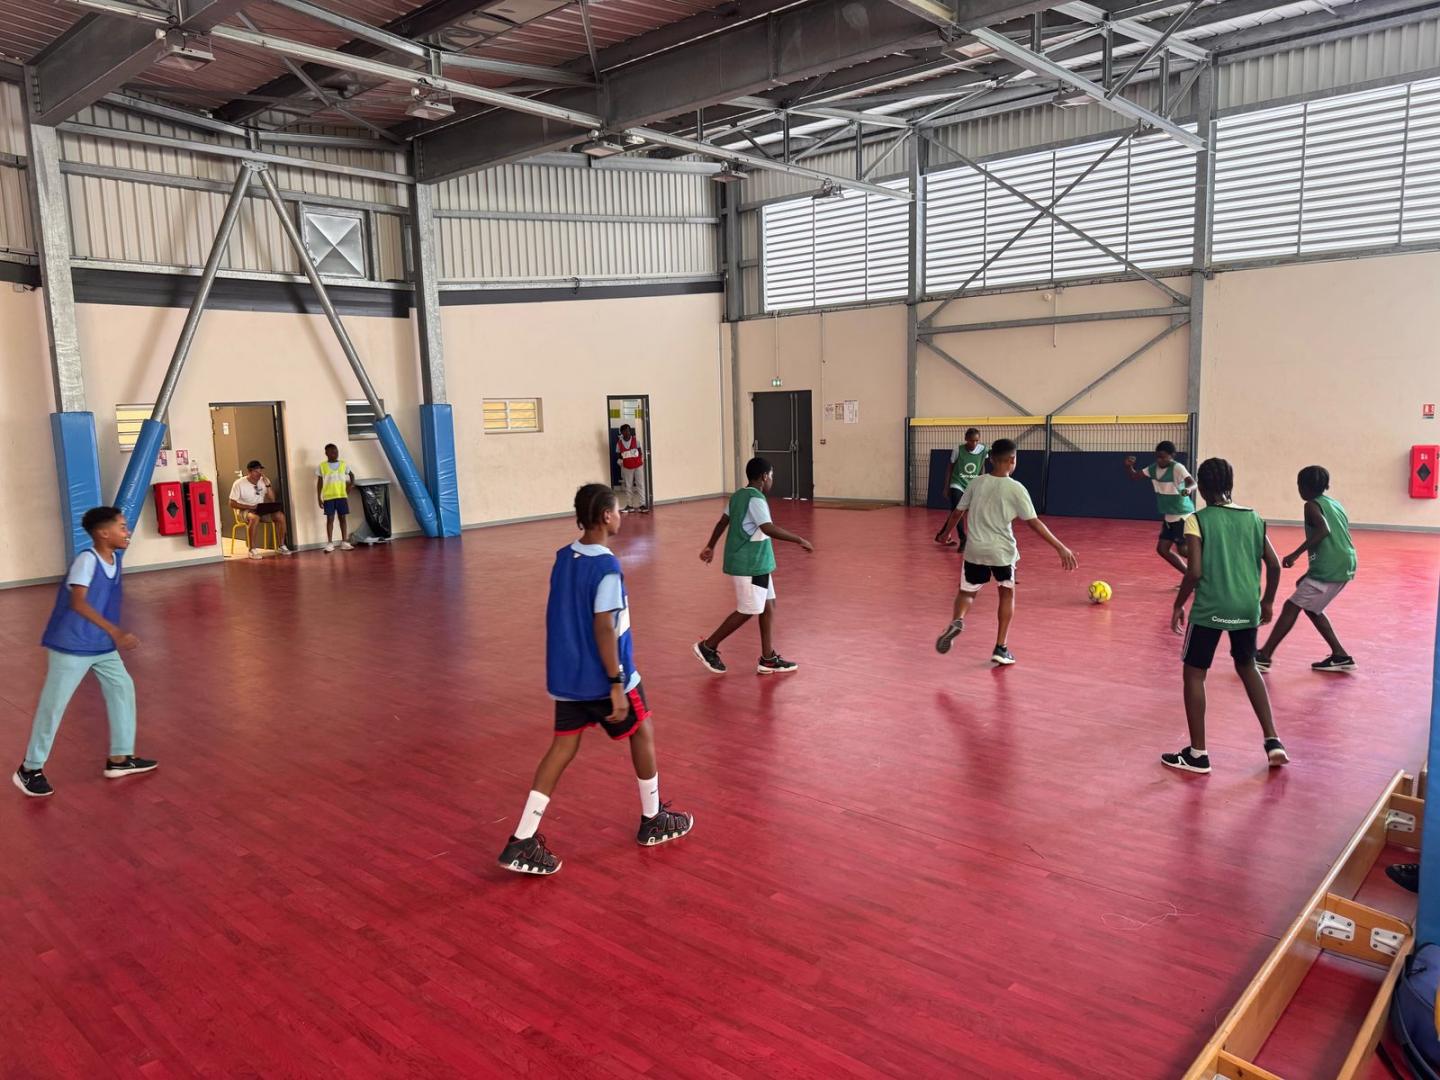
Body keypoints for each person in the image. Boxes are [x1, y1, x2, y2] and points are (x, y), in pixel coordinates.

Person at [497, 483, 693, 876]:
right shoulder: (606, 568)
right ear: (605, 516)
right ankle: (652, 819)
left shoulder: (564, 557)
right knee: (643, 731)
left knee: (562, 748)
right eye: (618, 510)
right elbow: (605, 626)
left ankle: (522, 839)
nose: (621, 516)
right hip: (604, 676)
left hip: (568, 676)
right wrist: (616, 682)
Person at [13, 507, 159, 798]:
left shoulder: (114, 559)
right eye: (122, 526)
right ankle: (29, 769)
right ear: (104, 533)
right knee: (54, 705)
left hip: (101, 645)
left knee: (122, 688)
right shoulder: (86, 560)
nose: (127, 531)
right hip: (73, 644)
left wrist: (110, 635)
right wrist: (116, 632)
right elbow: (78, 603)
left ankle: (119, 758)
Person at [1162, 458, 1288, 775]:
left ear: (1202, 488)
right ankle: (1273, 741)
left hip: (1210, 608)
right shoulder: (1253, 517)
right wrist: (1268, 602)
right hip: (1246, 607)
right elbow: (1274, 565)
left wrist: (1178, 603)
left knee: (1194, 674)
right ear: (1230, 483)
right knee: (1247, 666)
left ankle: (1198, 754)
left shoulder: (1197, 520)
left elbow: (1194, 571)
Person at [935, 439, 1077, 666]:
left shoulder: (976, 483)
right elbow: (1034, 523)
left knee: (967, 592)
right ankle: (1001, 648)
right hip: (1002, 552)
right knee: (1006, 593)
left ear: (990, 459)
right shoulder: (1016, 488)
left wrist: (945, 534)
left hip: (975, 550)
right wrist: (1060, 547)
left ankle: (957, 620)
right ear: (1013, 459)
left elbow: (957, 513)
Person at [693, 457, 813, 676]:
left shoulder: (738, 495)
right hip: (749, 563)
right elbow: (768, 528)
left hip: (759, 563)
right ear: (764, 476)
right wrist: (799, 539)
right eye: (771, 476)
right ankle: (708, 646)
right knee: (749, 609)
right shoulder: (756, 498)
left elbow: (723, 522)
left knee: (769, 605)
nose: (772, 480)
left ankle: (768, 659)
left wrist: (711, 545)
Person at [1254, 466, 1357, 674]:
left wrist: (1295, 554)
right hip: (1346, 561)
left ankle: (1264, 656)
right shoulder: (1334, 504)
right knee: (1311, 607)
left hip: (1330, 565)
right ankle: (1340, 655)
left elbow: (1324, 530)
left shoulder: (1311, 505)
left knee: (1291, 606)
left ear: (1304, 486)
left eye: (1299, 485)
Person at [1124, 441, 1196, 576]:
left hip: (1183, 515)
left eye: (1163, 457)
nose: (1159, 460)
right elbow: (1134, 476)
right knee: (1162, 549)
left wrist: (1188, 490)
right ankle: (1189, 576)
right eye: (1157, 457)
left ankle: (1205, 564)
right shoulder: (1153, 469)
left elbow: (1192, 483)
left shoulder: (1177, 468)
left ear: (1172, 456)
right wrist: (1129, 467)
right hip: (1169, 516)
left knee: (1183, 550)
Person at [934, 428, 987, 548]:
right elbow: (949, 468)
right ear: (966, 439)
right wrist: (946, 487)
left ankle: (942, 535)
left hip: (971, 484)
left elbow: (982, 466)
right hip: (957, 483)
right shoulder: (958, 450)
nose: (974, 443)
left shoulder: (983, 450)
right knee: (958, 510)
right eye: (971, 441)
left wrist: (981, 482)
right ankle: (963, 539)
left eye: (976, 441)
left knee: (956, 512)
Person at [229, 460, 290, 558]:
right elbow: (232, 503)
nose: (259, 474)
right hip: (244, 510)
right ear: (249, 472)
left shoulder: (263, 481)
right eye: (256, 471)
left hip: (261, 509)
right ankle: (252, 550)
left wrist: (268, 485)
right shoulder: (239, 483)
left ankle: (281, 546)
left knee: (280, 516)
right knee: (254, 518)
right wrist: (250, 507)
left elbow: (272, 499)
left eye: (260, 471)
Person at [315, 444, 356, 554]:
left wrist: (351, 485)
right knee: (330, 519)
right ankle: (330, 543)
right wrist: (319, 497)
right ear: (326, 453)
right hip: (329, 497)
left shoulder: (343, 464)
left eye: (336, 452)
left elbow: (352, 475)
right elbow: (319, 483)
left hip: (341, 496)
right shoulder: (322, 466)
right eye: (332, 452)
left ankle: (344, 542)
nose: (335, 454)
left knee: (342, 518)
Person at [615, 424, 648, 514]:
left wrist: (640, 461)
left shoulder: (636, 441)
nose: (627, 432)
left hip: (638, 466)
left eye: (628, 430)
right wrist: (621, 463)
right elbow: (619, 455)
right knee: (628, 486)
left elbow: (640, 453)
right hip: (627, 467)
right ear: (621, 432)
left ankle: (642, 504)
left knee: (640, 485)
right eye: (625, 431)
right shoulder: (619, 444)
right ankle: (630, 505)